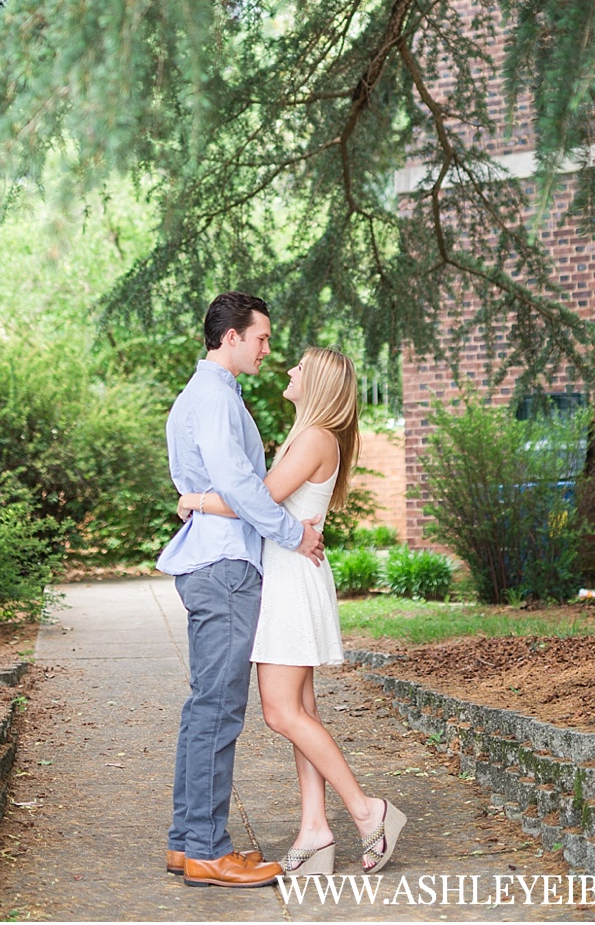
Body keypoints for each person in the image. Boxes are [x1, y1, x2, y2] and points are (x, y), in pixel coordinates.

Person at [178, 346, 408, 876]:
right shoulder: (311, 436)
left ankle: (368, 811)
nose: (288, 369)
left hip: (289, 581)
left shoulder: (313, 438)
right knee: (302, 713)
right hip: (289, 574)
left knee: (281, 713)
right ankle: (314, 830)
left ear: (319, 382)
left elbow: (254, 500)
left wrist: (193, 499)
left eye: (300, 367)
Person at [156, 291, 325, 889]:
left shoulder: (208, 395)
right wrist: (292, 535)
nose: (267, 349)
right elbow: (240, 484)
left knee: (208, 706)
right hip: (224, 568)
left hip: (216, 563)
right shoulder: (213, 397)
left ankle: (188, 843)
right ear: (230, 336)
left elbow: (220, 484)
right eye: (261, 338)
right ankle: (205, 848)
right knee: (218, 710)